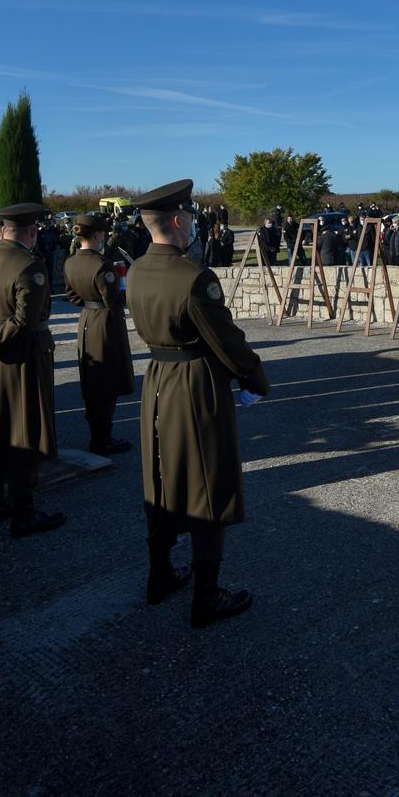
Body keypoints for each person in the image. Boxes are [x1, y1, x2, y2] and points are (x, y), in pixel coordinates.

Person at [126, 179, 269, 626]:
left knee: (162, 479)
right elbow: (225, 339)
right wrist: (254, 377)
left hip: (158, 381)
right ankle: (206, 596)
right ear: (176, 219)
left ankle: (161, 574)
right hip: (194, 383)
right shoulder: (193, 277)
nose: (191, 222)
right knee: (208, 483)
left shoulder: (136, 271)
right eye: (188, 215)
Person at [0, 203, 67, 538]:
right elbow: (24, 321)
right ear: (32, 231)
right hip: (23, 357)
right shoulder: (29, 265)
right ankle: (23, 511)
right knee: (24, 430)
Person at [64, 213, 135, 455]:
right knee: (107, 382)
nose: (104, 238)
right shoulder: (102, 264)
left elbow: (73, 297)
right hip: (106, 323)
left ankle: (99, 434)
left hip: (86, 321)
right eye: (102, 234)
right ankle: (102, 438)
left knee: (94, 382)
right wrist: (127, 288)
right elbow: (113, 300)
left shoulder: (71, 262)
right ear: (95, 235)